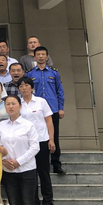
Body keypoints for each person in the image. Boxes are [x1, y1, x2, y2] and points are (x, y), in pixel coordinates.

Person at [0, 95, 40, 205]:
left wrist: (19, 161)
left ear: (19, 106)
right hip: (9, 171)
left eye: (13, 104)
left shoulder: (28, 125)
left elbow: (35, 147)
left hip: (27, 170)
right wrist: (4, 160)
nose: (10, 106)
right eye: (7, 104)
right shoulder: (1, 126)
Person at [18, 76, 56, 205]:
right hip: (25, 144)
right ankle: (34, 203)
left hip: (42, 140)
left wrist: (51, 139)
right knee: (30, 174)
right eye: (21, 86)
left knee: (44, 173)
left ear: (32, 87)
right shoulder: (18, 103)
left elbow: (49, 121)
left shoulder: (41, 102)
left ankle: (48, 204)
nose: (24, 88)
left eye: (26, 85)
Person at [26, 46, 65, 175]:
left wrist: (61, 108)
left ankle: (56, 163)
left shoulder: (54, 73)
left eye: (43, 54)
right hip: (36, 110)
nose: (41, 56)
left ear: (47, 57)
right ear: (35, 57)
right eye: (38, 54)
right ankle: (40, 163)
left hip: (52, 109)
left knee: (54, 137)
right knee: (37, 136)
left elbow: (60, 91)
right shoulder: (30, 74)